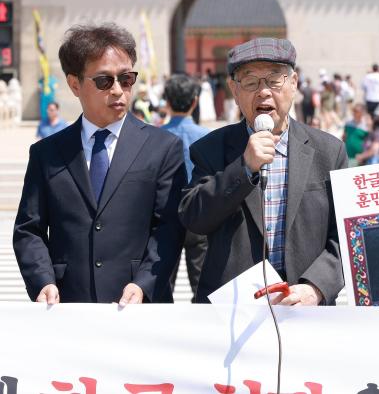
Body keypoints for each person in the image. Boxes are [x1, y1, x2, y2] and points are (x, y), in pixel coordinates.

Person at [13, 23, 187, 304]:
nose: (118, 90)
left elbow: (169, 228)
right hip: (67, 305)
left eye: (127, 78)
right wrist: (42, 281)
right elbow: (28, 230)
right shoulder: (47, 153)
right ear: (74, 84)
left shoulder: (163, 148)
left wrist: (144, 284)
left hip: (137, 306)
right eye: (105, 81)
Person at [179, 37, 348, 305]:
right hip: (234, 310)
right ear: (234, 90)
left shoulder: (329, 152)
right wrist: (243, 168)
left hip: (305, 309)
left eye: (274, 80)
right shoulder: (210, 149)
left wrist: (315, 287)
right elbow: (195, 219)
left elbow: (344, 237)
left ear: (293, 84)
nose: (264, 92)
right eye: (251, 82)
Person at [161, 74, 210, 301]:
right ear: (195, 101)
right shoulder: (208, 137)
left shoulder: (154, 137)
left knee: (161, 282)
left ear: (167, 103)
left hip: (163, 216)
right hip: (199, 215)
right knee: (202, 282)